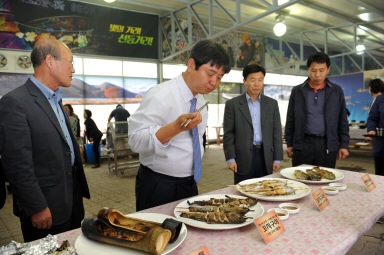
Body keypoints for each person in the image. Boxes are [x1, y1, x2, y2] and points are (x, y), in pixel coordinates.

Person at [0, 38, 90, 242]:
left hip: (71, 200)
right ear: (50, 61)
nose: (74, 70)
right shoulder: (15, 103)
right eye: (71, 62)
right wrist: (36, 206)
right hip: (45, 208)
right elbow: (16, 163)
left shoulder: (55, 100)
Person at [128, 40, 230, 211]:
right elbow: (135, 140)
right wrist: (176, 127)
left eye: (219, 77)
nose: (214, 82)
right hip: (158, 184)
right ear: (191, 65)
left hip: (189, 183)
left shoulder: (200, 100)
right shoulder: (161, 94)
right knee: (157, 233)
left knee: (186, 233)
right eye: (210, 74)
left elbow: (195, 141)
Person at [285, 52, 350, 168]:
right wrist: (289, 144)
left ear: (328, 70)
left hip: (327, 144)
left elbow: (342, 120)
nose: (318, 75)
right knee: (300, 180)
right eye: (314, 70)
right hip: (302, 144)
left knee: (325, 179)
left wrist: (344, 145)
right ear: (308, 70)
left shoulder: (336, 91)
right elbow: (290, 119)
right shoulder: (297, 91)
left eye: (321, 70)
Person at [223, 64, 283, 184]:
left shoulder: (272, 104)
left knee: (266, 190)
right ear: (244, 81)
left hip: (266, 156)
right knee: (243, 193)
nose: (257, 84)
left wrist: (277, 158)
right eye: (252, 80)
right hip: (242, 157)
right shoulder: (232, 105)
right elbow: (229, 134)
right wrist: (230, 158)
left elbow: (276, 132)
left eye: (260, 80)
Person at [366, 78, 384, 176]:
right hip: (381, 144)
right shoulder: (379, 100)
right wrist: (371, 129)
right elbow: (372, 117)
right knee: (380, 174)